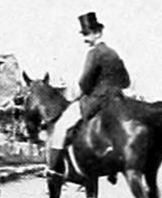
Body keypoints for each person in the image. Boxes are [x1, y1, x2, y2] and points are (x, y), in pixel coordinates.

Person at [47, 12, 131, 176]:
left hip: (97, 101)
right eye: (84, 34)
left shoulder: (93, 53)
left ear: (98, 33)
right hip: (117, 101)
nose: (85, 38)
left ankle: (53, 170)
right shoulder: (114, 53)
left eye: (87, 34)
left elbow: (84, 82)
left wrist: (84, 93)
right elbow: (126, 81)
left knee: (61, 126)